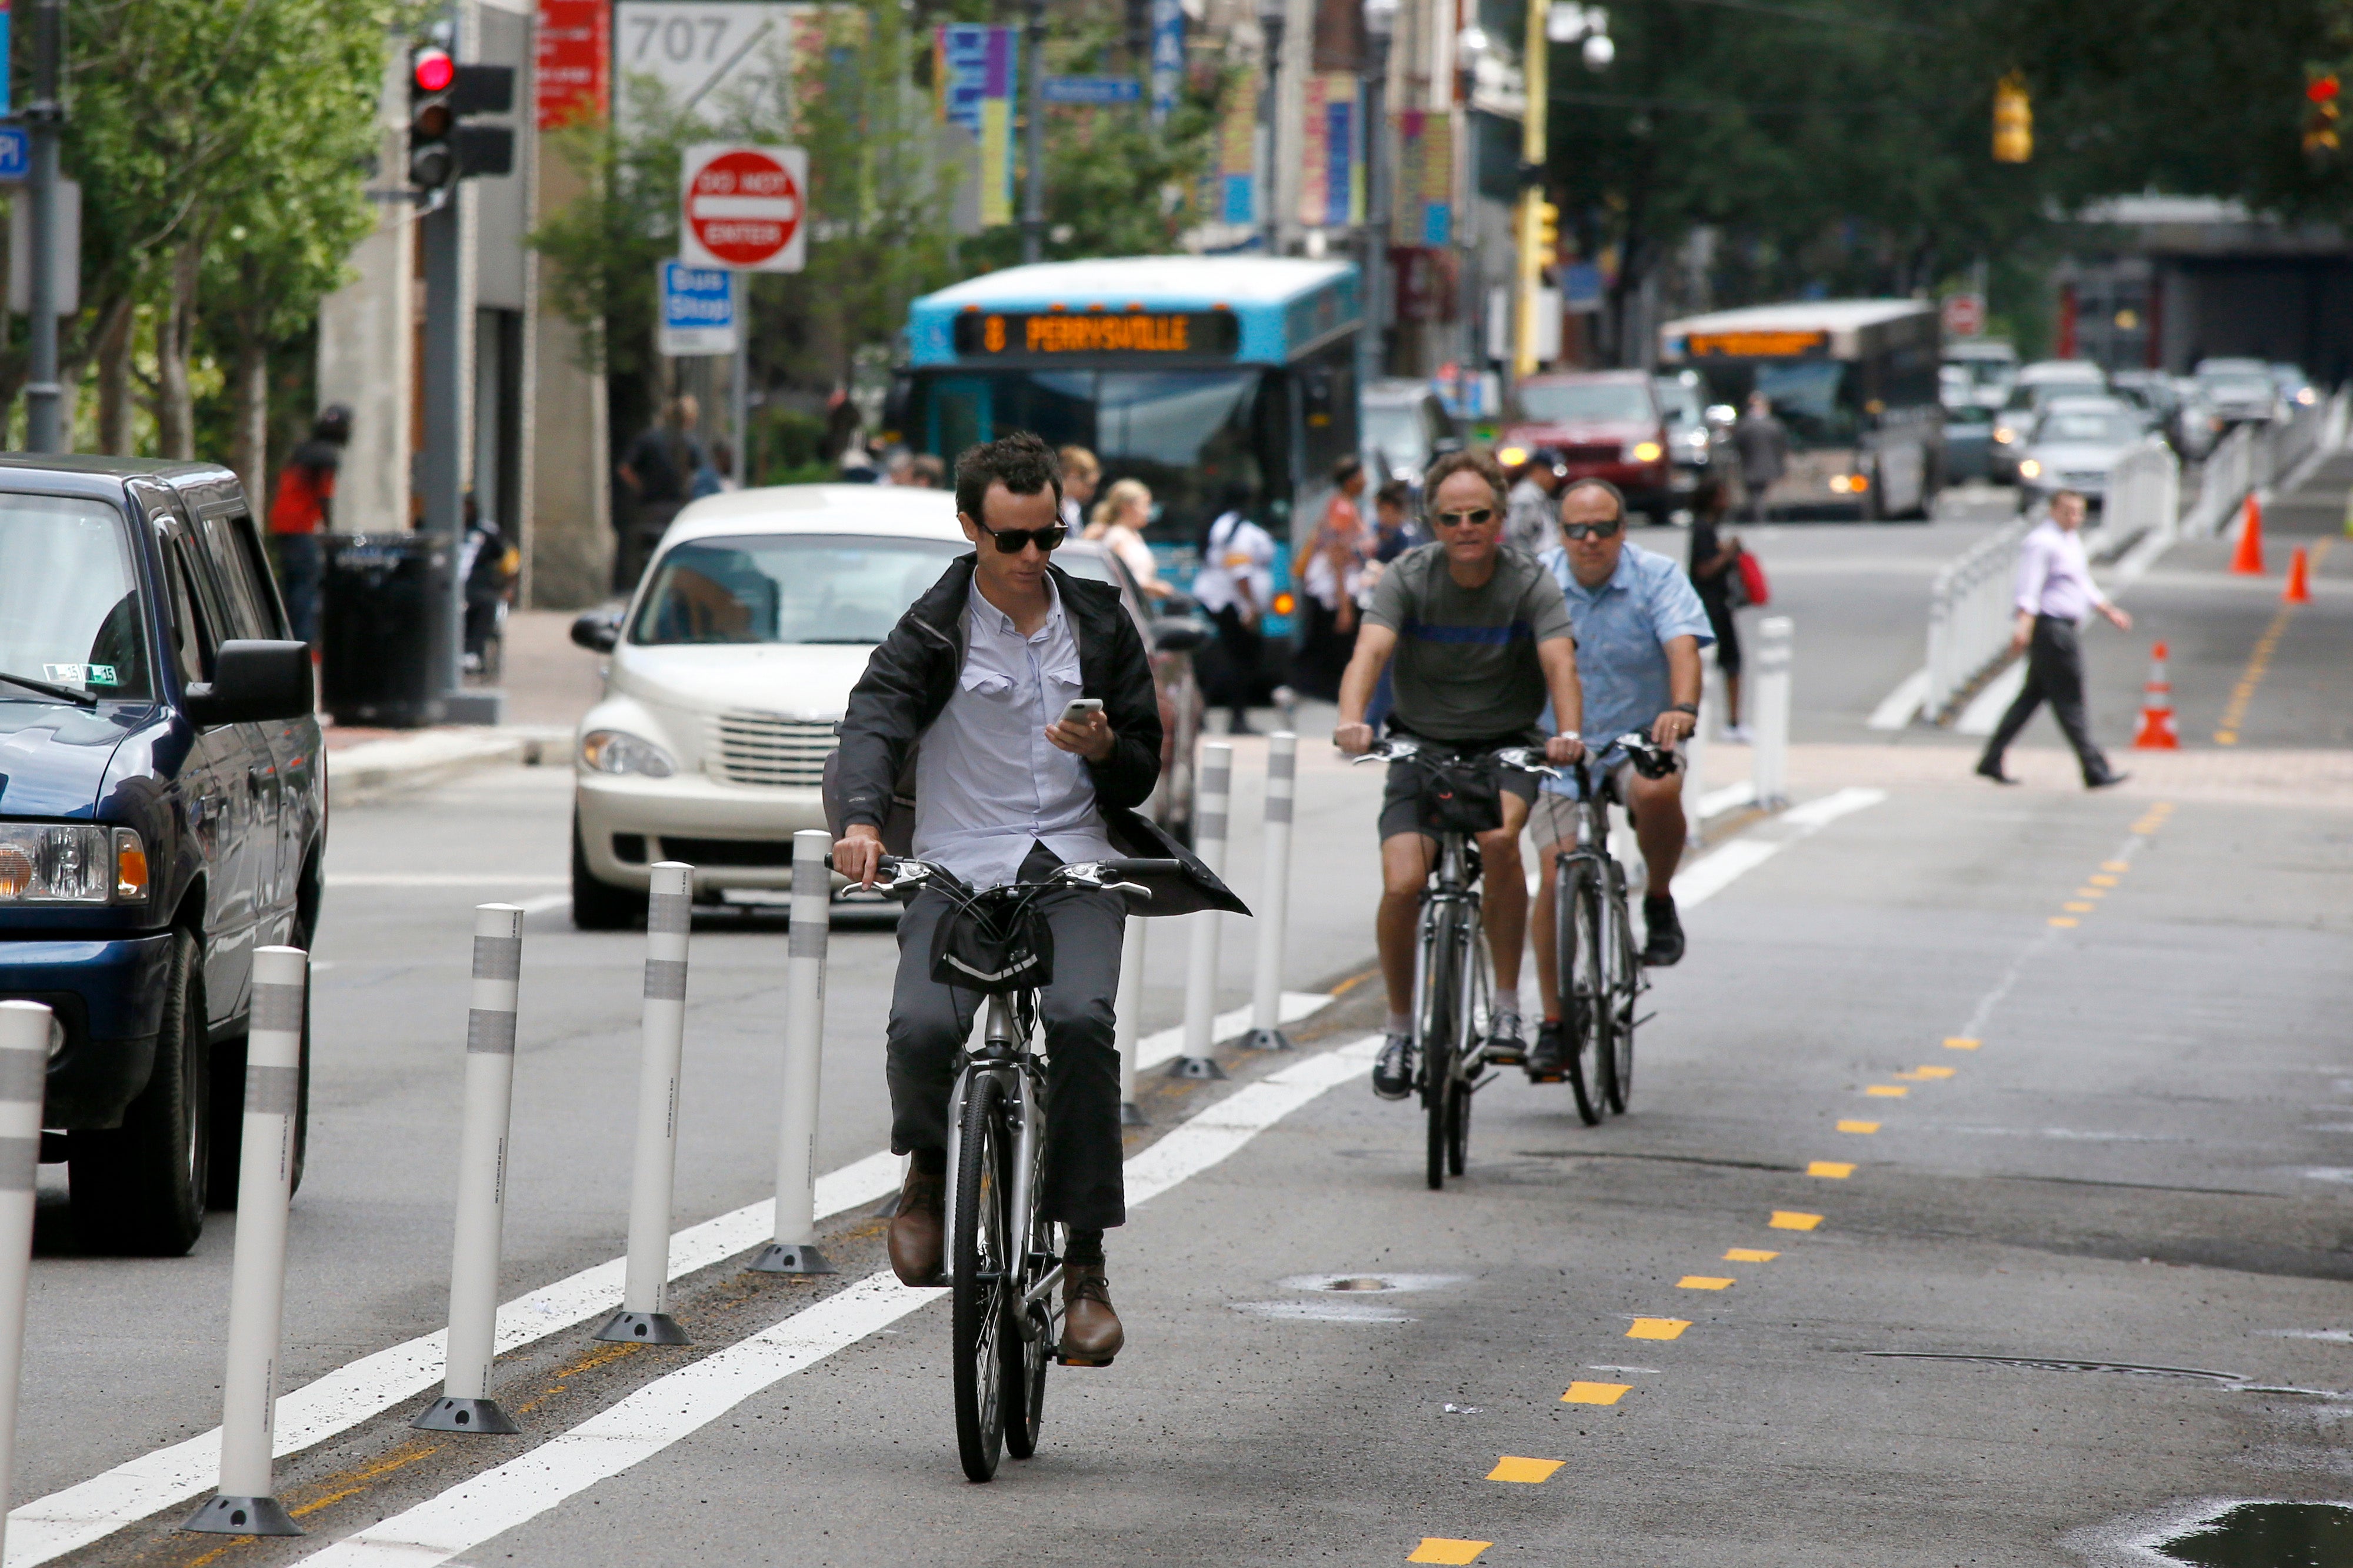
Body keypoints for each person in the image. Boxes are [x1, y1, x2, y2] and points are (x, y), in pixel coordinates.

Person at [831, 431, 1171, 1367]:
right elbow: (871, 722)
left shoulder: (1098, 620)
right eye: (1012, 540)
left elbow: (1142, 765)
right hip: (958, 861)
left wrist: (1106, 751)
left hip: (1074, 861)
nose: (1032, 559)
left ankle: (1088, 1270)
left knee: (1083, 1020)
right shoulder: (933, 626)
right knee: (922, 1031)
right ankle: (929, 1170)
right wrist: (861, 820)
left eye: (1048, 538)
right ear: (970, 528)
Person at [1334, 449, 1587, 1096]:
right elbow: (1371, 649)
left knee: (1501, 841)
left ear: (1500, 517)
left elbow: (1560, 662)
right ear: (1433, 523)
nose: (1466, 527)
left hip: (1506, 746)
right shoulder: (1408, 575)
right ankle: (1397, 1030)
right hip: (1421, 746)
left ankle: (1505, 1005)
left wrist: (1568, 734)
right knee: (1402, 883)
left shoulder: (1529, 580)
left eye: (1479, 515)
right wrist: (1352, 719)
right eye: (1451, 517)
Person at [1525, 479, 1714, 1076]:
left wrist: (1681, 710)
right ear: (1559, 532)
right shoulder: (1534, 581)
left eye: (1602, 528)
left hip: (1637, 736)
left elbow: (1683, 647)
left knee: (1660, 789)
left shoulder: (1656, 576)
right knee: (1555, 876)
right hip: (1559, 747)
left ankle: (1657, 897)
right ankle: (1554, 1023)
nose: (1589, 540)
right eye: (1576, 528)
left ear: (1622, 530)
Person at [1976, 489, 2133, 789]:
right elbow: (2028, 590)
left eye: (2079, 513)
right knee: (2070, 700)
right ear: (2053, 511)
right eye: (2067, 511)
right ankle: (2095, 768)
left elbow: (2081, 582)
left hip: (2063, 626)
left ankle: (1991, 759)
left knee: (2031, 697)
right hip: (2052, 629)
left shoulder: (2070, 541)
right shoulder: (2041, 543)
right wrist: (2023, 629)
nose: (2074, 518)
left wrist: (2107, 610)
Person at [1191, 482, 1275, 736]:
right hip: (1231, 602)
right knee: (1241, 660)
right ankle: (1235, 719)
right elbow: (1240, 573)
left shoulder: (1223, 524)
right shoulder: (1238, 530)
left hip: (1222, 600)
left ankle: (1210, 713)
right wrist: (1250, 607)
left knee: (1232, 657)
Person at [266, 404, 349, 645]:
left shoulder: (304, 450)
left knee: (292, 586)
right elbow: (325, 495)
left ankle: (287, 638)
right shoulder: (328, 456)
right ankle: (302, 643)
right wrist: (330, 530)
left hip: (283, 524)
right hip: (301, 527)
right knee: (305, 586)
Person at [1293, 455, 1369, 700]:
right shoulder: (1343, 510)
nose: (1366, 481)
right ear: (1351, 480)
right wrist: (1344, 605)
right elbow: (1338, 556)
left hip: (1334, 591)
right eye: (1361, 476)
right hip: (1334, 593)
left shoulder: (1340, 505)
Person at [616, 395, 705, 590]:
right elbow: (700, 475)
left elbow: (625, 469)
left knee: (649, 557)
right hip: (680, 510)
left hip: (652, 508)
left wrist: (642, 487)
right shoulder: (690, 443)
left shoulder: (649, 438)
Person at [1685, 478, 1751, 742]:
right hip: (1712, 606)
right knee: (1721, 663)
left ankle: (1734, 722)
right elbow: (1704, 569)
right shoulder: (1702, 528)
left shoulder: (1709, 528)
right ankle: (1728, 722)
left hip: (1718, 604)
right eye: (1722, 496)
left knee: (1730, 663)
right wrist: (1729, 552)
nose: (1727, 502)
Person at [1085, 478, 1173, 599]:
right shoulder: (1117, 536)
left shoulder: (1135, 535)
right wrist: (1154, 587)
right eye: (1144, 506)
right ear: (1126, 507)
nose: (1148, 512)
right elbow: (1120, 579)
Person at [1732, 392, 1788, 523]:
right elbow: (1782, 447)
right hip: (1769, 465)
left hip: (1750, 464)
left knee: (1755, 493)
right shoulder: (1774, 425)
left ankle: (1759, 516)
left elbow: (1737, 445)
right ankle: (1760, 516)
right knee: (1759, 493)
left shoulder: (1744, 425)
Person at [1504, 449, 1567, 556]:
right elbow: (1515, 537)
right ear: (1538, 470)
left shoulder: (1537, 494)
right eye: (1552, 473)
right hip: (1532, 563)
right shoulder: (1525, 497)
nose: (1555, 479)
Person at [1058, 446, 1101, 530]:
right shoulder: (1053, 505)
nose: (1092, 492)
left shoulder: (1073, 506)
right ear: (1073, 476)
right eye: (1090, 485)